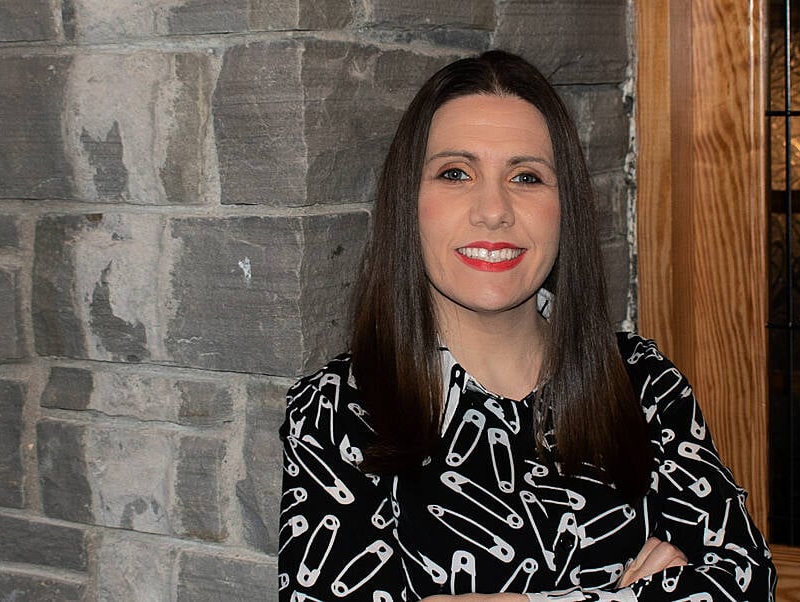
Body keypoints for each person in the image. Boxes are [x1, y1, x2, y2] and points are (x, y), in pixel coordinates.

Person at [278, 50, 775, 601]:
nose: (494, 209)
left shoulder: (644, 384)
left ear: (565, 209)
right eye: (456, 173)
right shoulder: (337, 411)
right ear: (408, 203)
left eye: (527, 176)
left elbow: (747, 583)